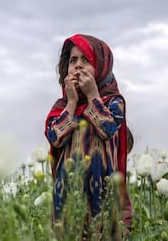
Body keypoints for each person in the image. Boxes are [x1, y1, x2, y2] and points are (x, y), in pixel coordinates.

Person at [44, 34, 132, 239]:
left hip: (103, 192)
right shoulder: (61, 107)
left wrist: (93, 96)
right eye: (73, 60)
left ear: (101, 67)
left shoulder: (113, 101)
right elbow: (54, 137)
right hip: (68, 195)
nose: (78, 66)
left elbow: (108, 128)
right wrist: (72, 103)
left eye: (86, 60)